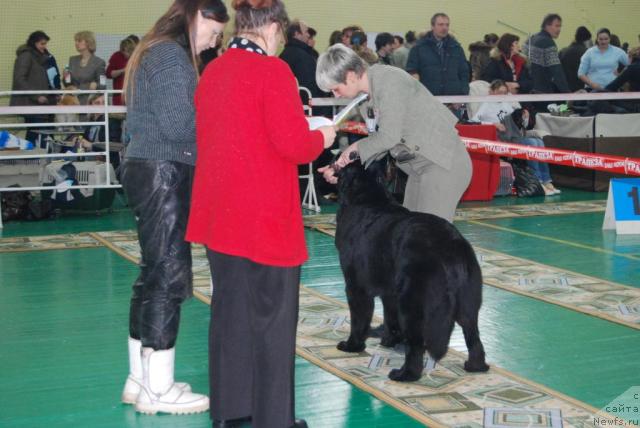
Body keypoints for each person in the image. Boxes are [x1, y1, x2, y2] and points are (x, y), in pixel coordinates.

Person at [186, 1, 336, 427]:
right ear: (273, 27)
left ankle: (232, 415)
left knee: (229, 317)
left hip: (221, 217)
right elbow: (293, 145)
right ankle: (274, 420)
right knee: (272, 324)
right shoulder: (274, 72)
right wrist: (322, 134)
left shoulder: (212, 71)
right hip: (264, 219)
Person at [120, 0, 229, 415]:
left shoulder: (157, 50)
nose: (212, 43)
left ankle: (141, 379)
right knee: (169, 277)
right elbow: (179, 125)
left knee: (152, 275)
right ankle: (159, 389)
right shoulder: (169, 53)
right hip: (164, 171)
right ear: (198, 15)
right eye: (213, 33)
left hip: (150, 168)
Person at [317, 44, 472, 222]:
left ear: (350, 76)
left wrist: (354, 147)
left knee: (429, 241)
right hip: (420, 169)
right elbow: (378, 145)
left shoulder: (389, 81)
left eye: (336, 89)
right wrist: (339, 166)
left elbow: (388, 137)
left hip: (442, 164)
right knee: (412, 236)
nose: (336, 96)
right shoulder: (366, 97)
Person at [472, 80, 560, 195]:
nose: (501, 96)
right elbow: (473, 121)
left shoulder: (507, 104)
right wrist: (493, 124)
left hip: (513, 136)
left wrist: (525, 117)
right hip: (501, 139)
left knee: (539, 142)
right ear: (491, 92)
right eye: (499, 92)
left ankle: (546, 180)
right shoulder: (486, 105)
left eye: (504, 93)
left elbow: (521, 124)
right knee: (532, 145)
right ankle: (537, 180)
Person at [10, 31, 58, 144]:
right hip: (30, 102)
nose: (44, 47)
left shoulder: (41, 57)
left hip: (39, 102)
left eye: (45, 44)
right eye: (42, 44)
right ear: (34, 43)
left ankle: (31, 157)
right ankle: (30, 157)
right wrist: (36, 96)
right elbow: (19, 79)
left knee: (36, 133)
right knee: (36, 132)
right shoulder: (26, 56)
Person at [406, 13, 470, 95]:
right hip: (428, 98)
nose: (444, 28)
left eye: (447, 25)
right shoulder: (418, 48)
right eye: (440, 25)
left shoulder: (456, 48)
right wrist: (418, 94)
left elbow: (464, 73)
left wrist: (462, 95)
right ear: (432, 26)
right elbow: (412, 71)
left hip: (453, 99)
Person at [522, 14, 570, 95]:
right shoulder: (548, 43)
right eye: (557, 26)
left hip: (527, 89)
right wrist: (567, 92)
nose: (559, 29)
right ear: (547, 25)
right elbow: (556, 70)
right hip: (542, 91)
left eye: (560, 26)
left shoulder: (530, 39)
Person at [67, 31, 106, 104]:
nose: (76, 43)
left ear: (88, 43)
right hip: (73, 102)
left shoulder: (100, 62)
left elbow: (103, 85)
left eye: (79, 41)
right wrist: (66, 77)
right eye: (76, 41)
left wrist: (94, 85)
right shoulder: (72, 60)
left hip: (90, 102)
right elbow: (68, 83)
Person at [106, 37, 137, 105]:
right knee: (119, 115)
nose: (126, 53)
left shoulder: (137, 57)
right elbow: (108, 74)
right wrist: (123, 71)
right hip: (119, 96)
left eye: (128, 51)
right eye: (124, 51)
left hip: (134, 96)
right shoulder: (116, 56)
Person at [559, 26, 592, 92]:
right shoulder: (587, 53)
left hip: (565, 90)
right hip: (581, 91)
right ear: (587, 40)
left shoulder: (562, 52)